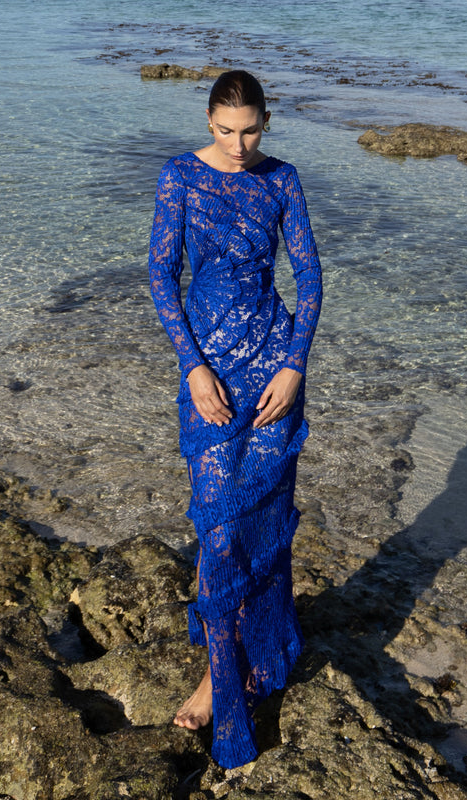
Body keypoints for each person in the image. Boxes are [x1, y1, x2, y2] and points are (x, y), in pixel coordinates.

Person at [148, 69, 322, 769]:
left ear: (266, 121)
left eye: (250, 129)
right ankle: (220, 675)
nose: (240, 143)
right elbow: (162, 276)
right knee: (219, 526)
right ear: (210, 122)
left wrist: (294, 366)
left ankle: (231, 670)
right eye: (226, 130)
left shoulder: (283, 181)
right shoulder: (179, 177)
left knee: (263, 524)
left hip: (274, 369)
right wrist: (193, 366)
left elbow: (310, 279)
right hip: (210, 375)